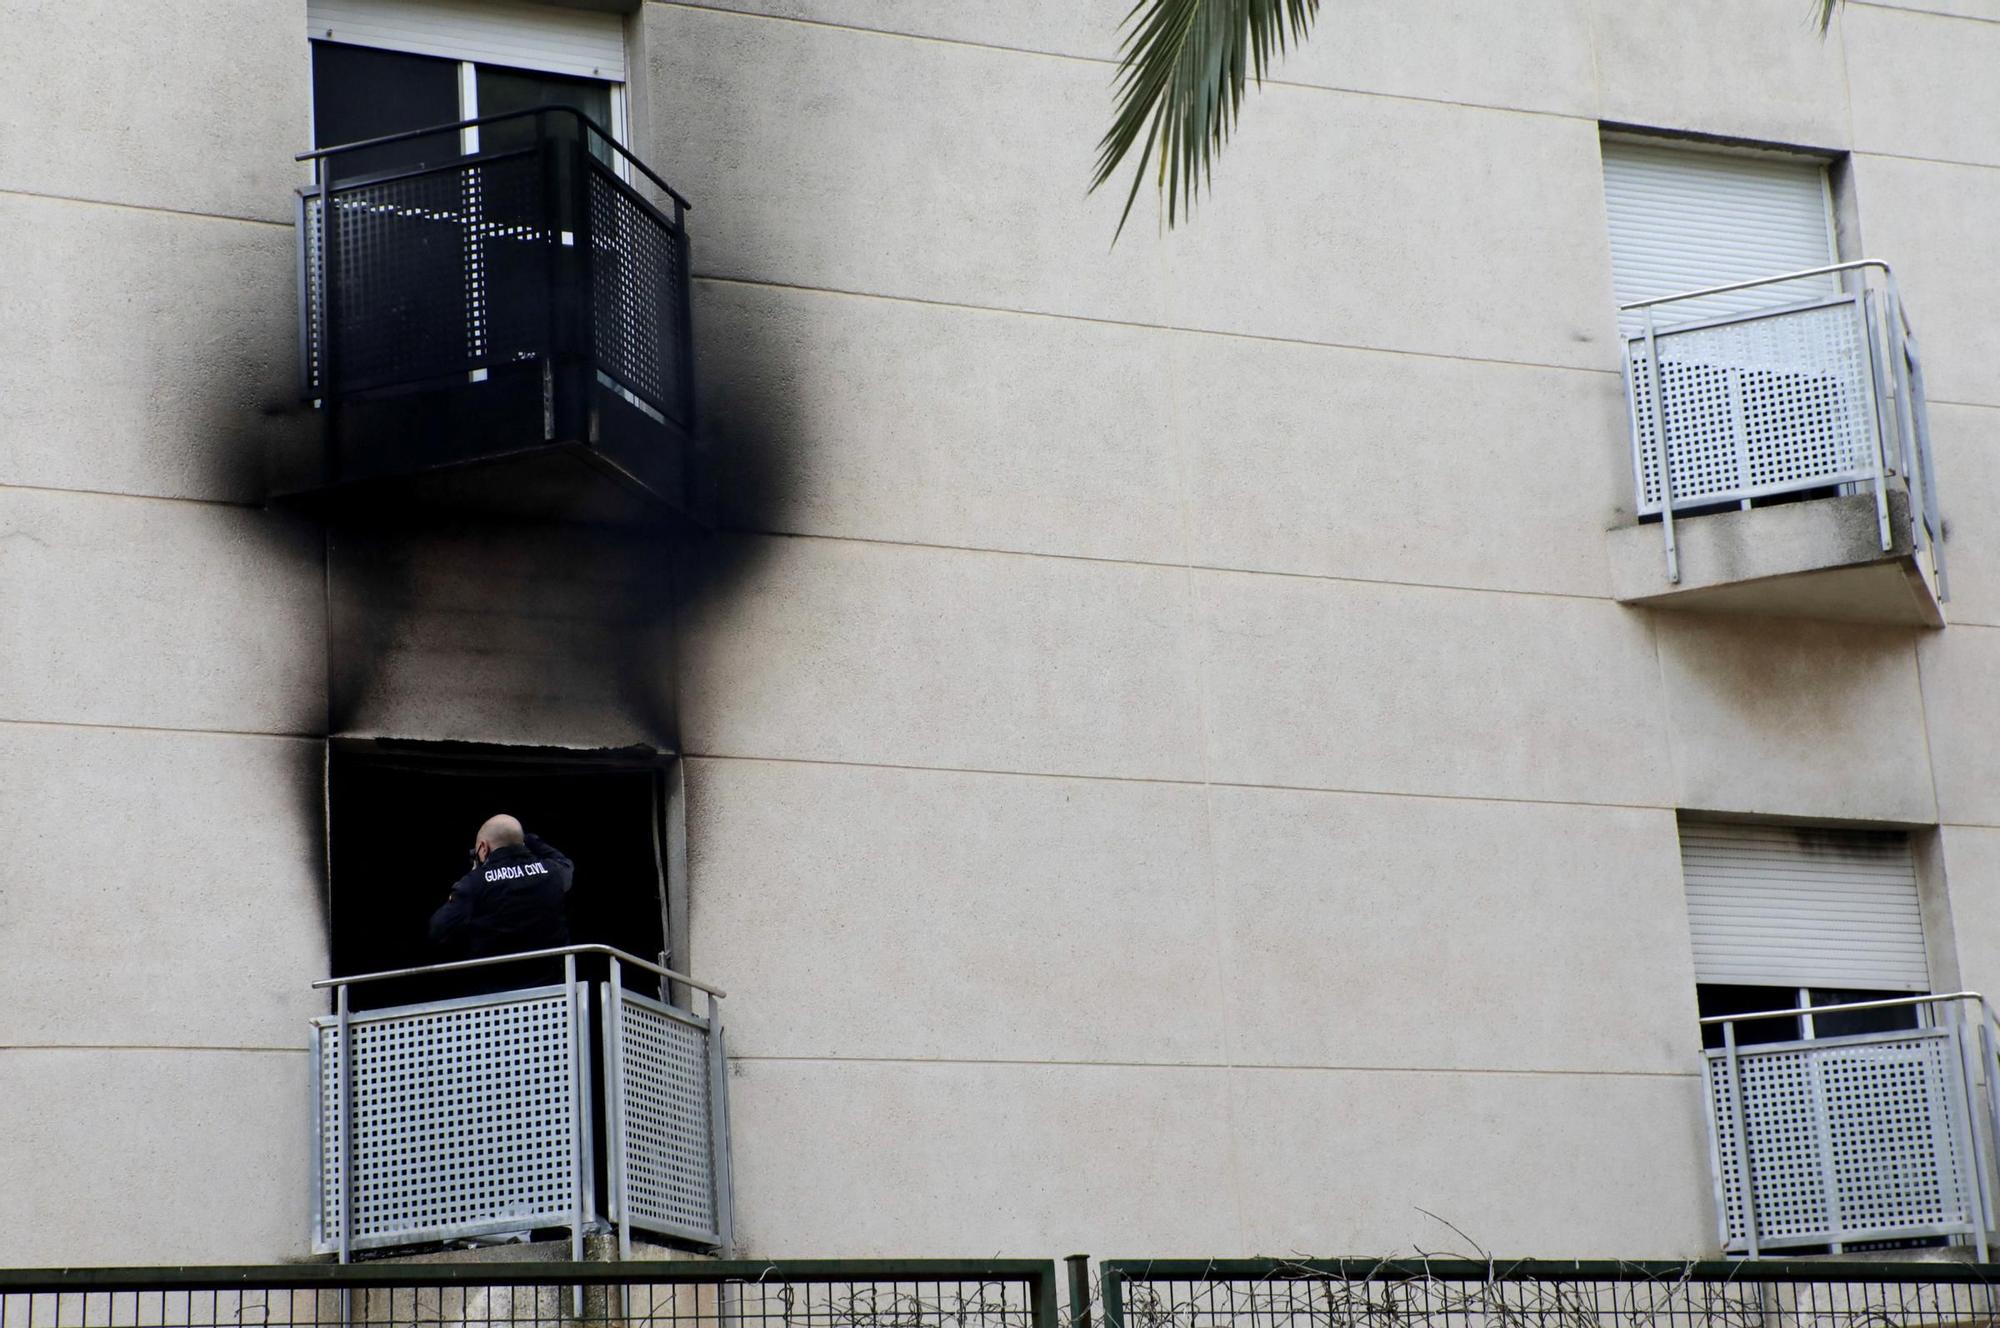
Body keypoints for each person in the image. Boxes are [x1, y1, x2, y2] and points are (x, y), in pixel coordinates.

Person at [429, 814, 574, 960]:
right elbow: (564, 861)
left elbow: (438, 930)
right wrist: (525, 839)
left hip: (494, 982)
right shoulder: (554, 871)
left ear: (483, 848)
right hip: (555, 982)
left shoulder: (473, 883)